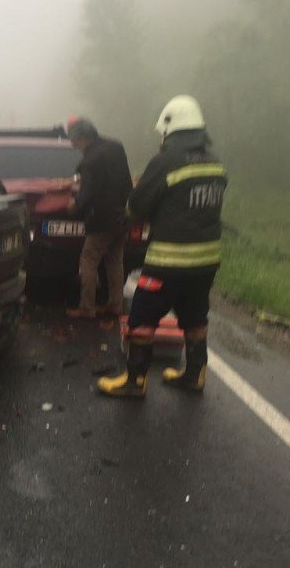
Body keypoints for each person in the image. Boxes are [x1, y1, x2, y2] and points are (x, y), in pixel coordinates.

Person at [98, 95, 227, 398]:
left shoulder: (165, 161)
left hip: (169, 260)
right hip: (206, 260)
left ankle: (134, 381)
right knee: (195, 316)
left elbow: (138, 207)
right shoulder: (214, 163)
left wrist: (141, 190)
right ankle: (195, 374)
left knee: (142, 317)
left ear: (170, 129)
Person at [64, 116, 132, 323]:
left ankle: (87, 308)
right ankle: (115, 305)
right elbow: (127, 183)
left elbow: (85, 197)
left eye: (74, 141)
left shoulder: (91, 161)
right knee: (114, 261)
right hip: (122, 217)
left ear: (83, 137)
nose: (74, 145)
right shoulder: (116, 147)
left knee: (88, 260)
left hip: (101, 221)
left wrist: (72, 208)